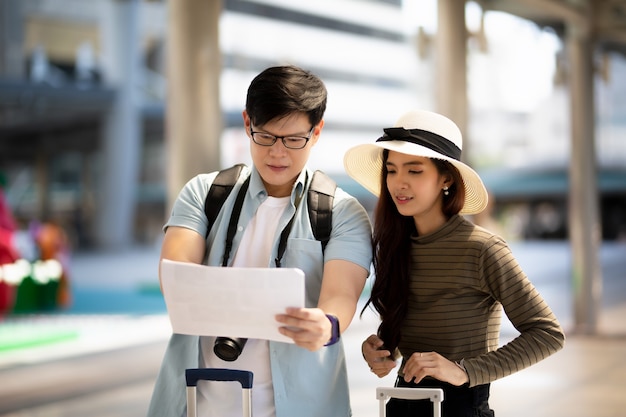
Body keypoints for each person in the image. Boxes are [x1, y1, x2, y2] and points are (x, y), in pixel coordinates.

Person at [147, 65, 373, 417]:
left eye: (294, 139)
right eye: (265, 136)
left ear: (317, 132)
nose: (277, 153)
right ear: (247, 123)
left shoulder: (343, 213)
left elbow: (340, 298)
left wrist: (324, 326)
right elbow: (176, 278)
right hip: (193, 406)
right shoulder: (205, 193)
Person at [343, 109, 565, 417]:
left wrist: (464, 371)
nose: (399, 183)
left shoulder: (482, 248)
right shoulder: (394, 245)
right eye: (391, 170)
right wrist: (382, 348)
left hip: (461, 407)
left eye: (414, 171)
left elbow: (547, 333)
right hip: (399, 402)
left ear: (446, 178)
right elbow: (414, 325)